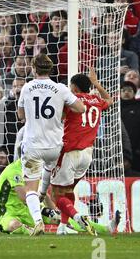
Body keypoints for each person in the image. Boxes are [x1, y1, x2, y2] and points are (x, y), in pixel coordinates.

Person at [17, 53, 85, 236]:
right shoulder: (60, 88)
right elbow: (81, 108)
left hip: (33, 145)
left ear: (33, 68)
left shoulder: (27, 87)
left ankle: (38, 221)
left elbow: (21, 116)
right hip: (55, 146)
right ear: (51, 69)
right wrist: (62, 111)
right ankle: (43, 192)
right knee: (50, 175)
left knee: (29, 186)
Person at [46, 68, 113, 236]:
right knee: (67, 192)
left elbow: (59, 117)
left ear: (74, 88)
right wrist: (97, 84)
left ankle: (77, 218)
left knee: (55, 194)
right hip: (87, 155)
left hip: (70, 152)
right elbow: (109, 100)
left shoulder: (72, 101)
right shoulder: (96, 100)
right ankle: (63, 226)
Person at [0, 159, 121, 235]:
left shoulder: (34, 169)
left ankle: (106, 228)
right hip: (8, 213)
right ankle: (34, 231)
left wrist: (54, 211)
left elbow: (43, 196)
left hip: (29, 211)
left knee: (64, 217)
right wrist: (42, 208)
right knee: (13, 225)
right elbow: (24, 197)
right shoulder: (13, 171)